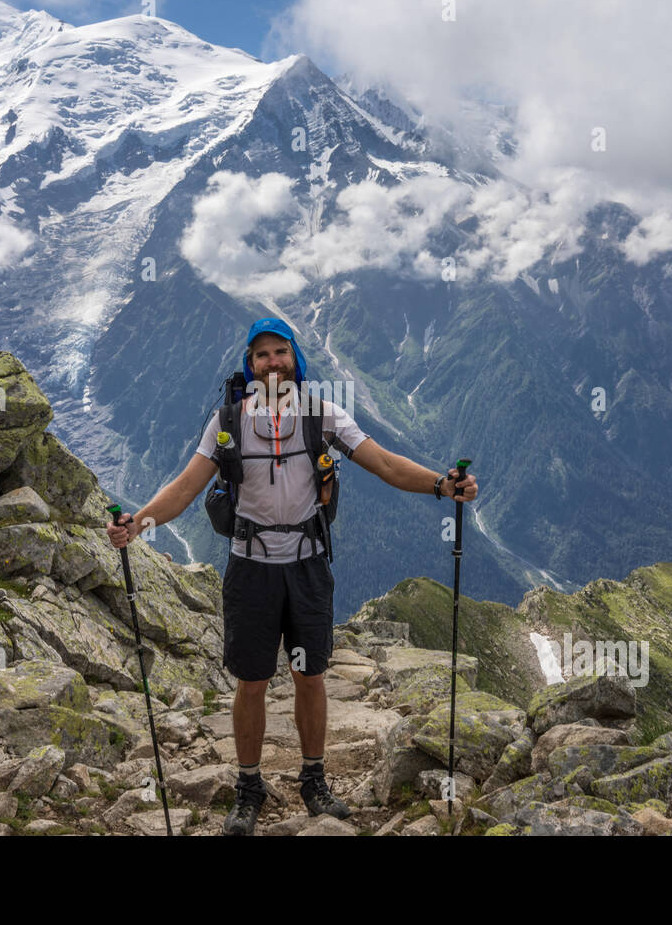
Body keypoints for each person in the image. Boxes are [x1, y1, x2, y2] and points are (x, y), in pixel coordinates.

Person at [106, 316, 478, 835]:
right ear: (251, 366)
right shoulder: (228, 422)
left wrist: (443, 485)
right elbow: (187, 486)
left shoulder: (322, 416)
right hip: (251, 569)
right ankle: (249, 787)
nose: (272, 363)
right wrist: (137, 523)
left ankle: (313, 780)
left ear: (295, 361)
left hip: (305, 565)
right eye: (261, 356)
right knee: (251, 681)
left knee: (310, 676)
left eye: (280, 353)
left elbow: (386, 465)